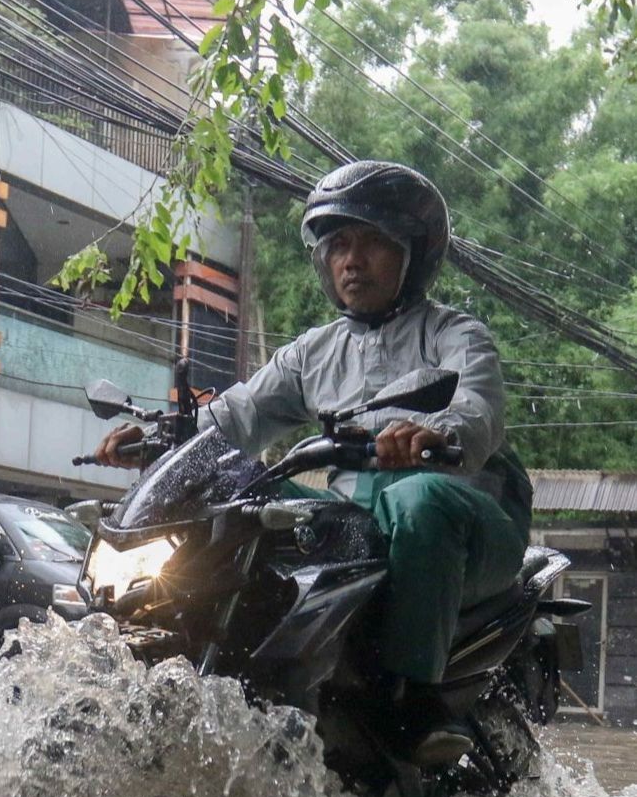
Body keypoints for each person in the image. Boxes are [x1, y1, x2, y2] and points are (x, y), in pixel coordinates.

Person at [95, 161, 532, 765]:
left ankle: (413, 700)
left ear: (416, 254)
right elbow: (235, 417)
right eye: (339, 245)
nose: (352, 260)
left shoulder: (454, 335)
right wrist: (158, 439)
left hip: (470, 522)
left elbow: (478, 408)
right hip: (367, 522)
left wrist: (433, 432)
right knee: (248, 503)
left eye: (374, 242)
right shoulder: (315, 352)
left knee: (419, 498)